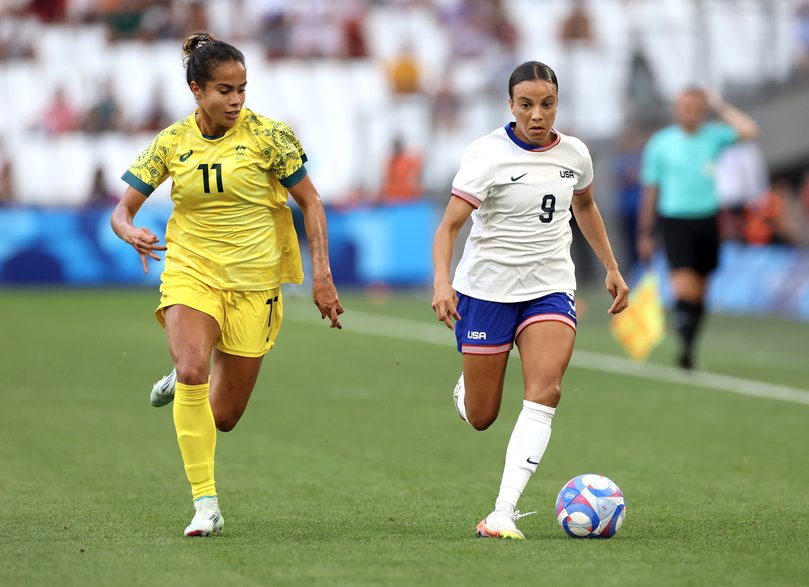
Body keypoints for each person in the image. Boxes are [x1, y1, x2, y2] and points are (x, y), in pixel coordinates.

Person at [110, 32, 344, 537]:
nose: (236, 100)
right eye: (223, 90)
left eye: (242, 88)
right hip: (191, 271)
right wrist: (129, 230)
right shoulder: (172, 142)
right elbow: (121, 209)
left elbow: (312, 202)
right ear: (197, 90)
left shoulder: (270, 136)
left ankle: (183, 377)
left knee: (225, 416)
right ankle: (206, 504)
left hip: (255, 283)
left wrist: (322, 275)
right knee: (195, 367)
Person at [431, 61, 629, 540]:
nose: (537, 114)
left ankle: (502, 511)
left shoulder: (576, 154)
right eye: (526, 104)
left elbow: (584, 205)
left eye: (547, 103)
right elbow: (449, 227)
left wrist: (611, 267)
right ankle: (468, 387)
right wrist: (442, 282)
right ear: (511, 105)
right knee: (482, 416)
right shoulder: (486, 155)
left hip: (550, 288)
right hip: (486, 293)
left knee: (546, 390)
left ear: (557, 103)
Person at [637, 88, 758, 369]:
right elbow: (651, 189)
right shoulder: (661, 143)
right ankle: (686, 350)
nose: (687, 112)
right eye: (683, 106)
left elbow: (750, 130)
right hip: (675, 219)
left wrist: (720, 104)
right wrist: (646, 231)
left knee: (701, 289)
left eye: (694, 107)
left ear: (702, 109)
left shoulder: (714, 135)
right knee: (684, 287)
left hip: (707, 218)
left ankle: (689, 345)